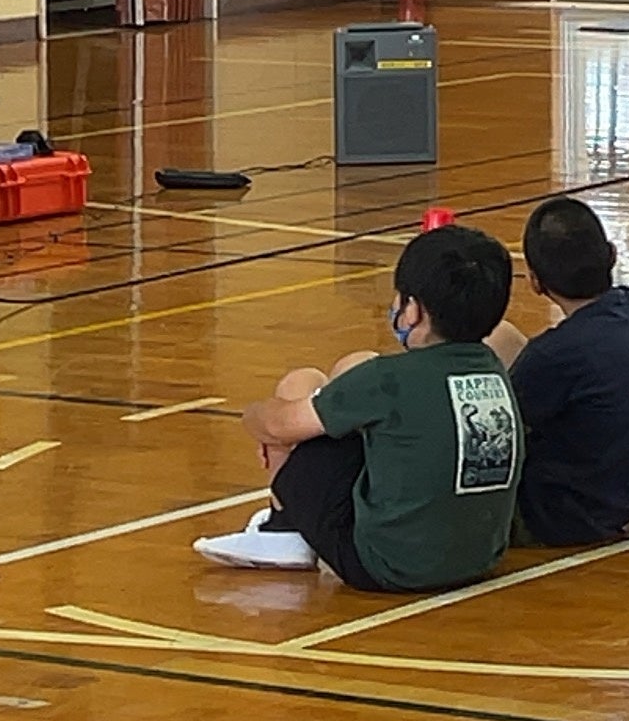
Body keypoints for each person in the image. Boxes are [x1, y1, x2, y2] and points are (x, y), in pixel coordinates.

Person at [197, 222, 522, 588]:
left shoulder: (387, 379)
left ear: (413, 310)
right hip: (480, 557)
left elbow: (277, 426)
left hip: (386, 565)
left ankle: (284, 529)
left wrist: (254, 416)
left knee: (301, 385)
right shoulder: (495, 366)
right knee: (353, 379)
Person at [484, 195, 629, 548]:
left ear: (534, 281)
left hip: (559, 515)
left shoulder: (556, 354)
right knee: (501, 338)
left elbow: (495, 433)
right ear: (611, 254)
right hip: (626, 494)